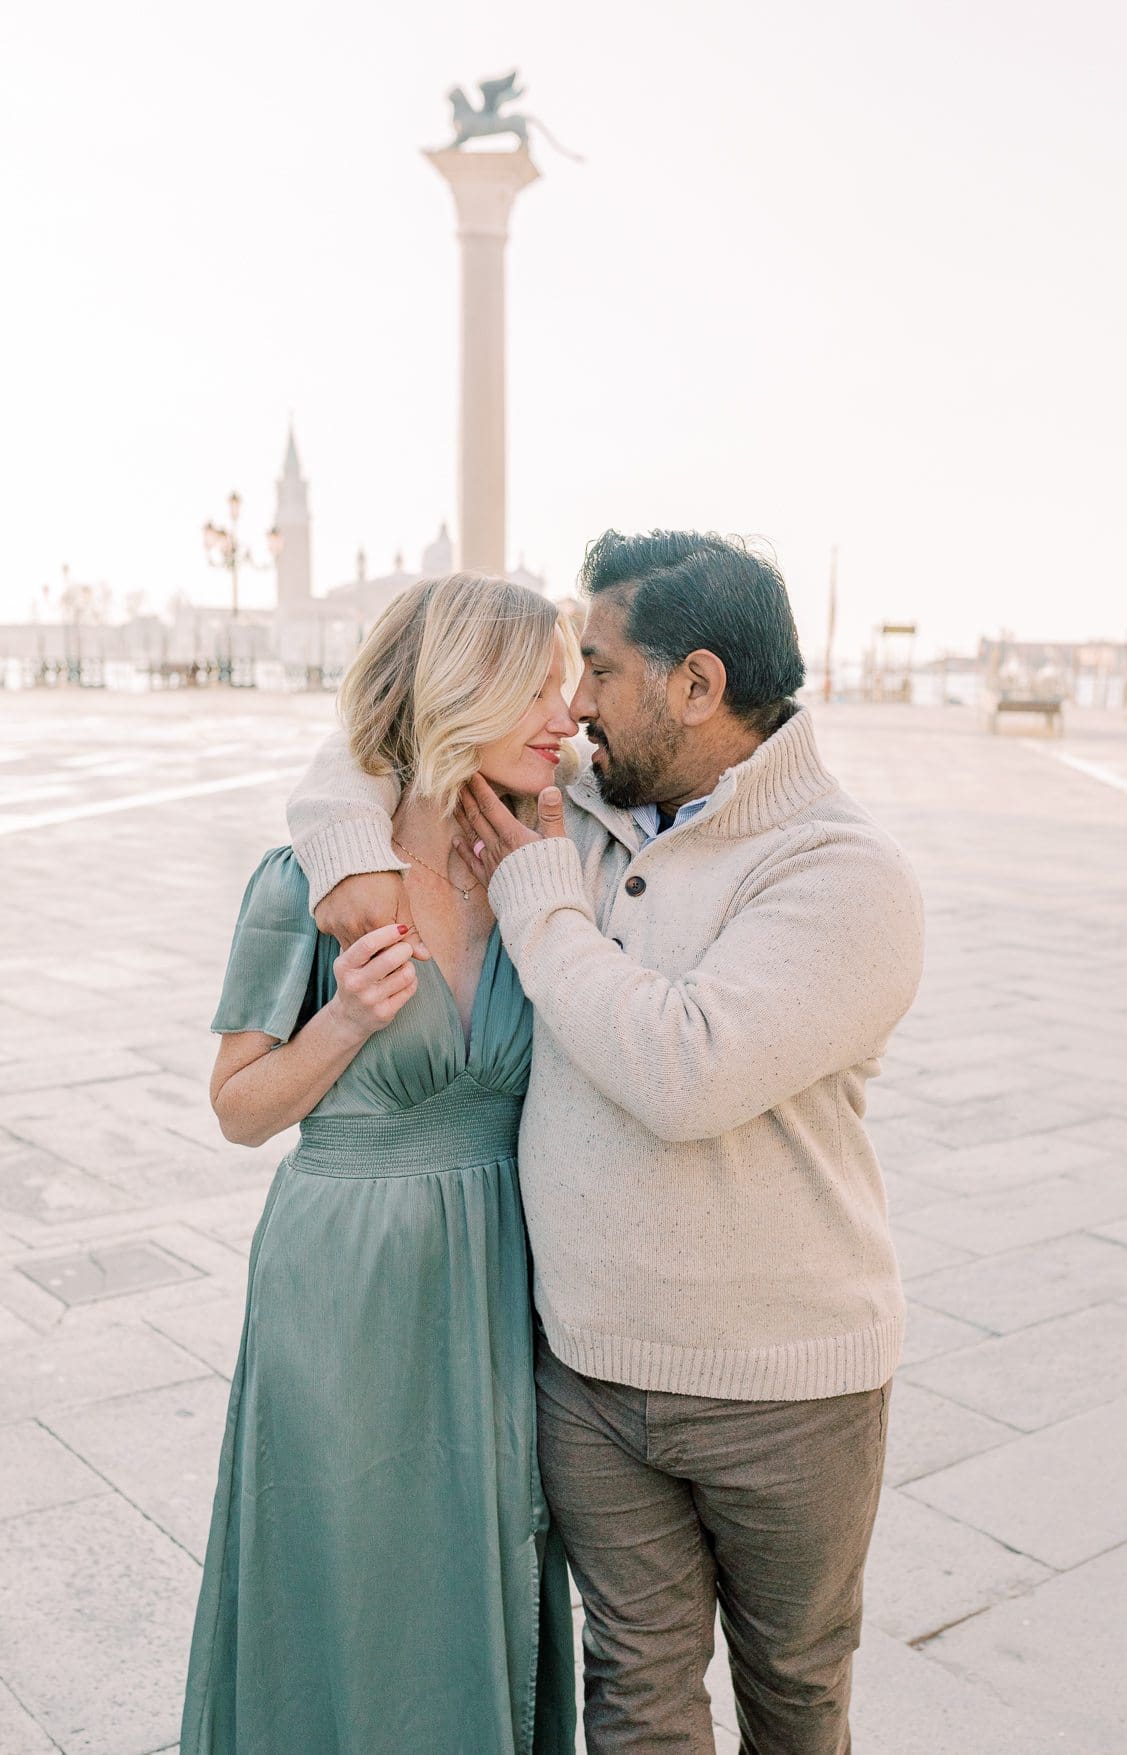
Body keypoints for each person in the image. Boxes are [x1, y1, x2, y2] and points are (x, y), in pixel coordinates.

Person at [287, 530, 925, 1755]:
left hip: (783, 1391)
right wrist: (339, 842)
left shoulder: (845, 877)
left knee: (794, 1699)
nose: (573, 708)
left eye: (599, 671)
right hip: (587, 1374)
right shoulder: (575, 802)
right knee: (633, 1703)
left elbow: (683, 1072)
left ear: (697, 686)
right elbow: (390, 733)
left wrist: (541, 905)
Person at [181, 573, 579, 1755]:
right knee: (347, 1565)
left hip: (502, 1271)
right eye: (539, 689)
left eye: (569, 685)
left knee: (492, 1550)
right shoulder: (301, 881)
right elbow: (240, 1113)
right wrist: (343, 1024)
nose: (568, 716)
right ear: (464, 694)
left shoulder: (538, 861)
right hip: (344, 1283)